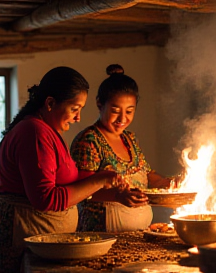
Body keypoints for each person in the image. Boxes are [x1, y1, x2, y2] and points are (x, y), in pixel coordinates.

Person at [0, 66, 124, 273]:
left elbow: (65, 183)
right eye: (74, 108)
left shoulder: (47, 130)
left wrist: (105, 181)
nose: (78, 118)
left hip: (37, 234)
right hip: (21, 232)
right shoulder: (34, 132)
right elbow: (46, 198)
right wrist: (98, 180)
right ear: (49, 103)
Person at [70, 64, 175, 233]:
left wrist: (170, 183)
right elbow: (81, 190)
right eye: (115, 110)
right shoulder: (89, 141)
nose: (122, 118)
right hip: (102, 234)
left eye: (129, 111)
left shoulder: (129, 139)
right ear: (99, 104)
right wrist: (117, 196)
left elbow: (147, 175)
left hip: (138, 232)